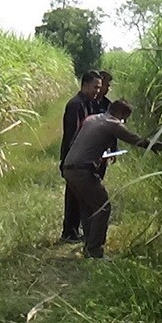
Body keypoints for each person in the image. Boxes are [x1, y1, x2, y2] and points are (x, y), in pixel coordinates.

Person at [60, 99, 162, 258]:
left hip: (69, 167)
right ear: (119, 113)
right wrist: (159, 145)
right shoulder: (113, 123)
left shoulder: (92, 119)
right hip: (82, 171)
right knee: (103, 206)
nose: (124, 122)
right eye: (124, 118)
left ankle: (89, 245)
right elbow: (136, 139)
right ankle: (94, 251)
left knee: (87, 206)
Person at [60, 70, 103, 242]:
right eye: (95, 87)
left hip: (82, 159)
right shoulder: (76, 105)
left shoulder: (89, 104)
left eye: (99, 88)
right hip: (74, 159)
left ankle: (75, 231)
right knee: (73, 196)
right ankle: (69, 232)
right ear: (85, 85)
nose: (97, 91)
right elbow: (74, 135)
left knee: (79, 196)